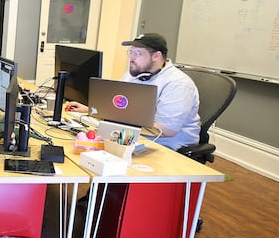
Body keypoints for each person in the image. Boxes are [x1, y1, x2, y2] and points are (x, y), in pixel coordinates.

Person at [65, 33, 200, 150]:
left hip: (166, 146)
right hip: (133, 138)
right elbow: (120, 107)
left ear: (156, 56)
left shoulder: (178, 84)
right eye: (131, 52)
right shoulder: (135, 73)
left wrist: (113, 120)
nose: (132, 58)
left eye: (138, 53)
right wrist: (92, 110)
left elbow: (166, 130)